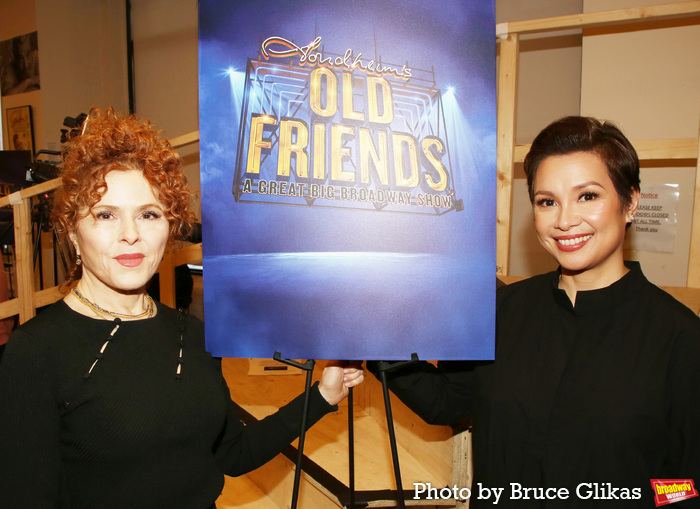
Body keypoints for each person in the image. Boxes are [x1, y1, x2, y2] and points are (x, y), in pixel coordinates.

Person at [0, 107, 364, 508]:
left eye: (148, 214)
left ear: (169, 227)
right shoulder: (35, 352)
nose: (130, 235)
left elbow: (233, 454)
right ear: (72, 232)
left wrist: (323, 396)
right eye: (105, 215)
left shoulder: (191, 334)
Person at [372, 116, 700, 507]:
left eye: (588, 196)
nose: (565, 220)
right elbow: (446, 401)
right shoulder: (501, 311)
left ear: (630, 203)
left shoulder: (681, 339)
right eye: (547, 202)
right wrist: (368, 333)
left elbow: (687, 485)